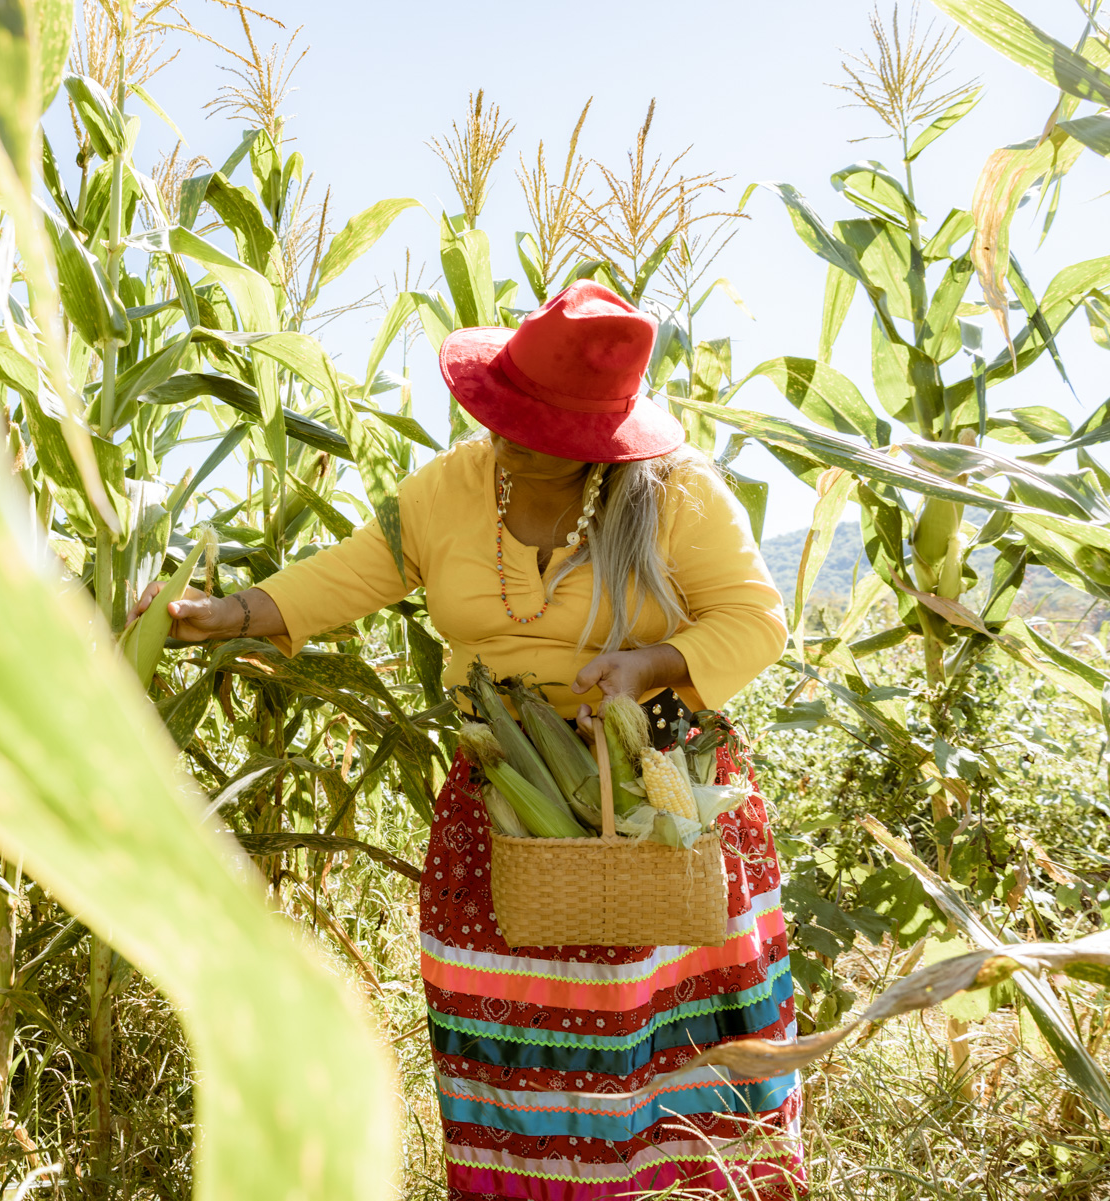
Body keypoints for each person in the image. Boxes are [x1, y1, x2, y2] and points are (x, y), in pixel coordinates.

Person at [136, 281, 803, 1199]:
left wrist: (650, 664)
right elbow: (351, 574)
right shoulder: (448, 489)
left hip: (654, 767)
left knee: (656, 1026)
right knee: (516, 1017)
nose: (506, 440)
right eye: (502, 416)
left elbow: (757, 620)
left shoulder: (676, 496)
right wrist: (232, 614)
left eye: (538, 432)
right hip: (508, 775)